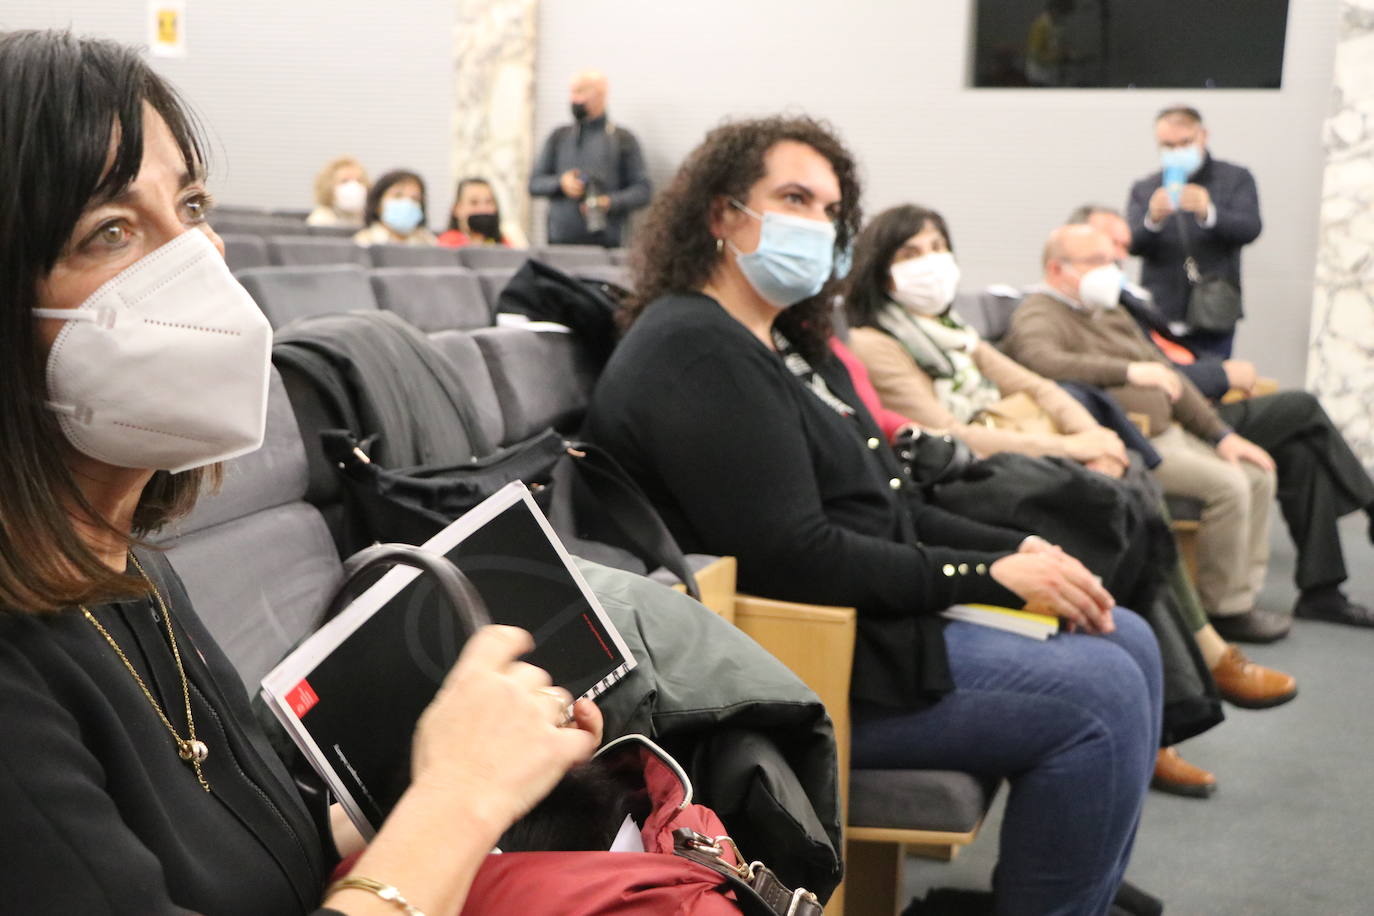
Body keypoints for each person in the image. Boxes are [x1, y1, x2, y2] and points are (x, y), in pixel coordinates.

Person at [0, 30, 602, 913]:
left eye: (193, 207)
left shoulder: (132, 573)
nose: (195, 262)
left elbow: (263, 857)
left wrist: (482, 753)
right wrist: (454, 800)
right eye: (113, 231)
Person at [586, 114, 1162, 912]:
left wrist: (1020, 549)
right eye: (794, 198)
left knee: (1126, 633)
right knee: (1101, 698)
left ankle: (1076, 883)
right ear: (722, 216)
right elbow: (800, 554)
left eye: (829, 209)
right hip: (796, 659)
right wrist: (986, 574)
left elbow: (892, 501)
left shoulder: (790, 342)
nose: (818, 224)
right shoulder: (696, 347)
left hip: (862, 618)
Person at [842, 203, 1296, 797]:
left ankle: (1179, 693)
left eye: (936, 247)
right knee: (1116, 509)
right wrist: (1068, 447)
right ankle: (1187, 684)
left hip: (1014, 457)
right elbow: (947, 434)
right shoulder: (878, 343)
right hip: (965, 478)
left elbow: (1037, 385)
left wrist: (1089, 435)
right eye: (911, 253)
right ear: (880, 270)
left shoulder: (951, 330)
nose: (931, 263)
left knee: (1127, 487)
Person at [1077, 204, 1374, 628]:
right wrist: (1220, 373)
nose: (1120, 256)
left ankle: (1322, 592)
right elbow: (1149, 377)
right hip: (1177, 419)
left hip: (1199, 405)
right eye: (1108, 247)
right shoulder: (1087, 310)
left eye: (1122, 246)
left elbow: (1165, 360)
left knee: (1301, 451)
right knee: (1302, 407)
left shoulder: (1125, 299)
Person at [1002, 224, 1296, 644]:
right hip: (1133, 443)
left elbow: (1171, 377)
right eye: (1100, 262)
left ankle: (1238, 596)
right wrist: (1127, 371)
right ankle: (1224, 610)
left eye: (1115, 262)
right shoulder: (1039, 312)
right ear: (1057, 269)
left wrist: (1222, 436)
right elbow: (1039, 360)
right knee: (1230, 486)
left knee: (1257, 473)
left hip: (1172, 431)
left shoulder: (1109, 312)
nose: (1113, 271)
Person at [1125, 106, 1261, 358]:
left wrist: (1209, 213)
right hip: (1160, 308)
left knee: (1212, 383)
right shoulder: (1145, 188)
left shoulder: (1235, 178)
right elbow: (1131, 244)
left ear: (1203, 136)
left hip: (1213, 307)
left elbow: (1250, 229)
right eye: (1167, 145)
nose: (1176, 151)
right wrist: (1152, 220)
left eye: (1184, 142)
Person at [528, 69, 650, 247]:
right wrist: (561, 183)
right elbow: (534, 184)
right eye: (572, 92)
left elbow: (643, 191)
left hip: (606, 246)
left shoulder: (622, 139)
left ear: (601, 94)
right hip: (559, 245)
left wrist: (609, 202)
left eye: (580, 91)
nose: (574, 99)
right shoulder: (559, 137)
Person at [353, 169, 437, 247]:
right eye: (398, 196)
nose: (407, 203)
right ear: (377, 204)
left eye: (414, 198)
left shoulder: (429, 242)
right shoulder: (363, 242)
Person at [437, 176, 523, 248]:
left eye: (489, 202)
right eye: (474, 202)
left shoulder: (503, 243)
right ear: (457, 209)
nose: (483, 209)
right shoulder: (447, 244)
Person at [306, 156, 369, 228]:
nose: (353, 186)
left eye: (359, 181)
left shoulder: (367, 219)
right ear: (328, 187)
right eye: (345, 181)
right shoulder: (320, 220)